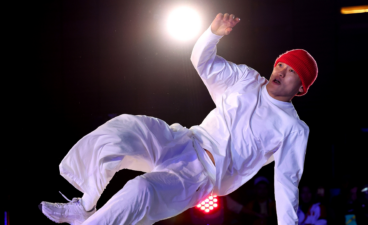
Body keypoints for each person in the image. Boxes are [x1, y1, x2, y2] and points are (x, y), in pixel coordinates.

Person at [39, 12, 318, 225]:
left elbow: (286, 182)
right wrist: (212, 34)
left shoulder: (293, 128)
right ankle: (85, 205)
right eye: (281, 63)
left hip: (199, 176)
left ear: (302, 87)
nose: (281, 70)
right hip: (183, 139)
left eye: (292, 70)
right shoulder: (246, 79)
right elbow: (203, 62)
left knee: (141, 191)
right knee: (126, 128)